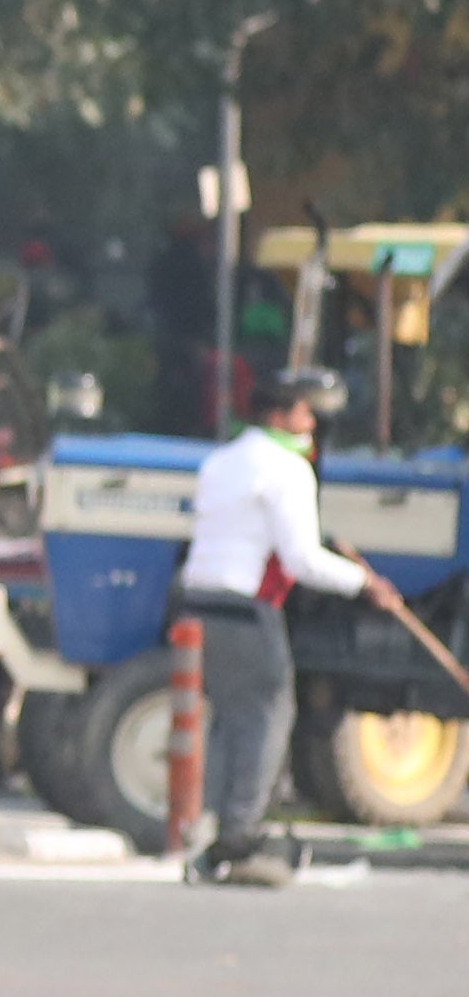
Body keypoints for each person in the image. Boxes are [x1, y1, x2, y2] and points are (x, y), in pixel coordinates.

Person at [176, 361, 372, 888]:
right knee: (267, 714)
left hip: (199, 603)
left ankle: (210, 826)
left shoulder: (222, 460)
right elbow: (302, 559)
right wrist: (363, 584)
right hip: (246, 608)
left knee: (226, 719)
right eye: (307, 412)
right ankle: (240, 835)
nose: (312, 424)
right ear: (282, 415)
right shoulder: (287, 470)